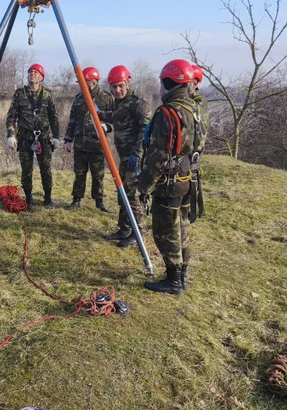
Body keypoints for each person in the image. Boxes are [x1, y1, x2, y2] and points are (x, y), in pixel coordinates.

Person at [137, 59, 198, 295]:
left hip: (169, 181)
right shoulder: (192, 109)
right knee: (181, 227)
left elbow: (158, 155)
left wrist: (145, 186)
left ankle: (173, 279)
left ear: (168, 83)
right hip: (186, 177)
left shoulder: (167, 112)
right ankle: (181, 276)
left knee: (166, 230)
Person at [99, 65, 152, 248]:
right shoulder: (120, 104)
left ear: (128, 83)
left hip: (134, 159)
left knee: (132, 197)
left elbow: (145, 130)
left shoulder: (138, 103)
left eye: (120, 85)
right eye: (114, 87)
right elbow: (115, 116)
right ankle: (124, 229)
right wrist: (98, 114)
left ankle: (138, 233)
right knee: (123, 195)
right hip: (123, 159)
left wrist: (137, 154)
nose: (117, 90)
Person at [5, 63, 61, 209]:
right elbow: (11, 117)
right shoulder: (19, 94)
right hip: (25, 138)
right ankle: (28, 198)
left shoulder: (48, 95)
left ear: (41, 77)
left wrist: (56, 137)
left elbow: (54, 118)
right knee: (26, 169)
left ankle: (48, 198)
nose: (32, 74)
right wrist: (11, 135)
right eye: (30, 72)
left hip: (43, 138)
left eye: (36, 72)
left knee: (46, 168)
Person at [63, 66, 115, 211]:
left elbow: (117, 119)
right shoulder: (79, 99)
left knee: (98, 175)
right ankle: (76, 199)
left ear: (93, 82)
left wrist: (107, 127)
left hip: (97, 144)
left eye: (83, 82)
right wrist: (68, 139)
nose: (80, 85)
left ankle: (99, 201)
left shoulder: (106, 98)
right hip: (80, 144)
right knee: (79, 173)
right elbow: (72, 120)